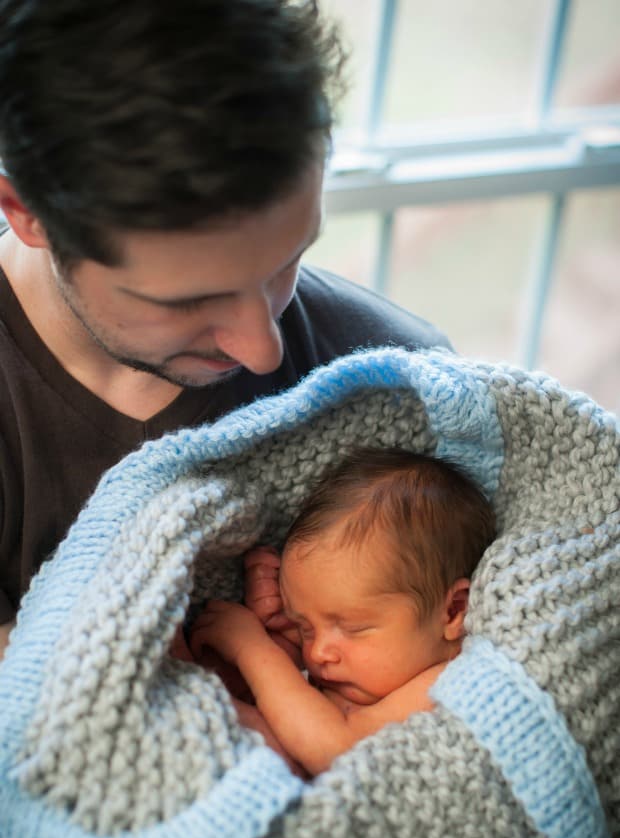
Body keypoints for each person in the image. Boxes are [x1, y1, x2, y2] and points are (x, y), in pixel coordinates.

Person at [0, 0, 451, 660]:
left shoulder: (407, 384)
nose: (265, 348)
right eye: (190, 301)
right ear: (28, 215)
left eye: (287, 262)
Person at [187, 448, 496, 776]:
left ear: (453, 610)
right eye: (306, 628)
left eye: (352, 628)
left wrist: (251, 648)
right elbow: (292, 688)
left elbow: (333, 751)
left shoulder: (448, 680)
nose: (318, 652)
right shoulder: (370, 661)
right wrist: (277, 624)